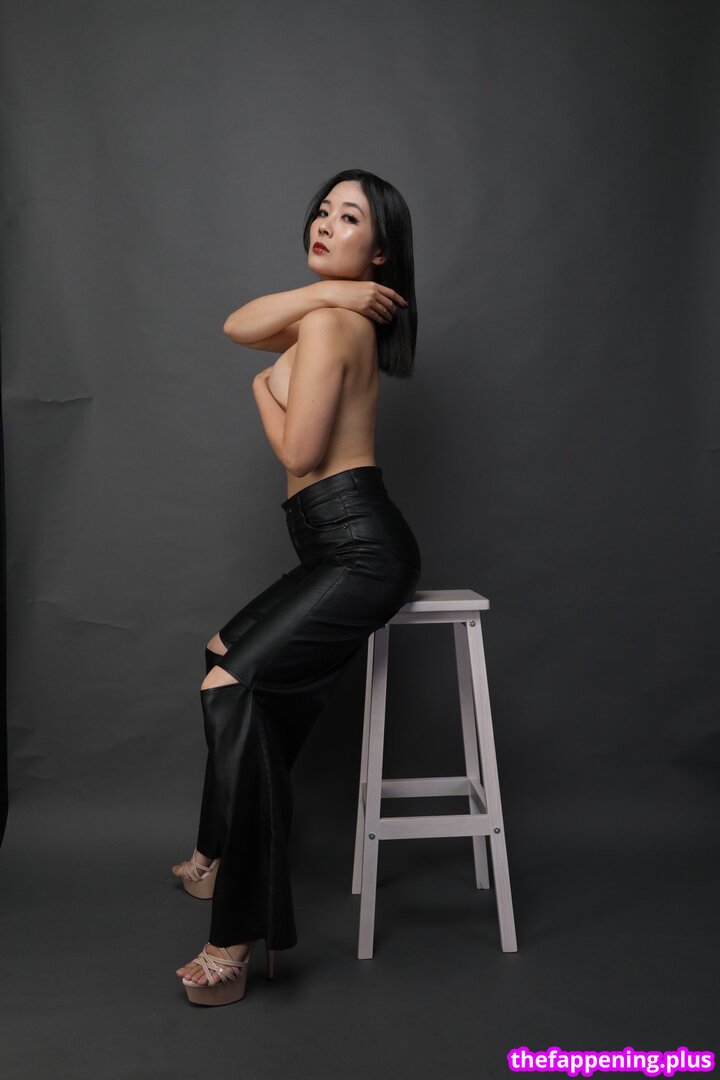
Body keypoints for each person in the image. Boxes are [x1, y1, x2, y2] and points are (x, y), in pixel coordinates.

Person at [170, 168, 422, 1006]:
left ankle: (234, 940)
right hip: (327, 544)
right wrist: (334, 293)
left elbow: (300, 454)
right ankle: (216, 856)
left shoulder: (328, 327)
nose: (324, 222)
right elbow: (237, 324)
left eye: (349, 217)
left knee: (230, 687)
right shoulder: (331, 313)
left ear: (380, 250)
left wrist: (259, 391)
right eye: (322, 210)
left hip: (359, 548)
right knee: (223, 652)